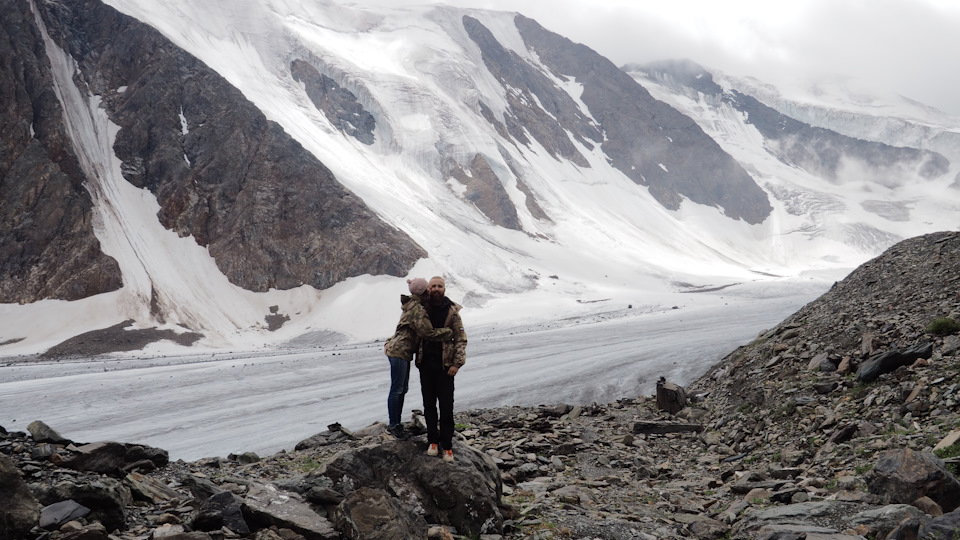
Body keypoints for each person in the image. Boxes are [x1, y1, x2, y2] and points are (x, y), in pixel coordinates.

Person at [383, 278, 452, 439]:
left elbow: (401, 328)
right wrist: (447, 332)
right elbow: (427, 332)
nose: (430, 291)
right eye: (427, 289)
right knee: (397, 389)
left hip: (400, 351)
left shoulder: (410, 305)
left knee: (401, 389)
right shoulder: (417, 309)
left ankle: (396, 423)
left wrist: (389, 341)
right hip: (400, 352)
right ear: (423, 292)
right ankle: (394, 425)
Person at [416, 276, 467, 462]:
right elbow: (407, 328)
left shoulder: (452, 311)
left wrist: (456, 364)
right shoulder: (421, 309)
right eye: (433, 286)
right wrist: (392, 343)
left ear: (444, 288)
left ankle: (447, 446)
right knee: (429, 406)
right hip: (425, 366)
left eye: (439, 286)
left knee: (446, 407)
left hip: (446, 367)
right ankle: (433, 441)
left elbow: (461, 339)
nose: (436, 289)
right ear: (428, 289)